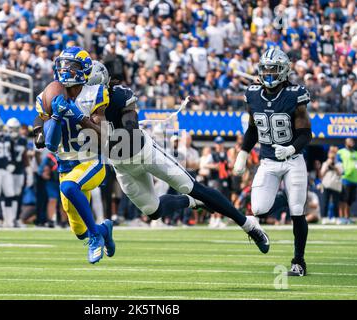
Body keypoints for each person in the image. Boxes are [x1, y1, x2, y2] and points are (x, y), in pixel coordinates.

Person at [81, 60, 270, 253]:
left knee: (191, 186)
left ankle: (249, 225)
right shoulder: (81, 105)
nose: (84, 95)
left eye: (88, 89)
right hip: (121, 165)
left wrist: (94, 129)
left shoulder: (120, 96)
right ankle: (191, 202)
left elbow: (130, 131)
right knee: (153, 211)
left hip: (144, 153)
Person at [233, 47, 312, 276]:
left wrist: (290, 148)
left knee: (297, 210)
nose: (268, 73)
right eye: (265, 69)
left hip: (293, 159)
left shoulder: (294, 95)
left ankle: (299, 262)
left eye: (273, 69)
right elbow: (252, 129)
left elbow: (306, 133)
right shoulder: (253, 95)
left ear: (284, 70)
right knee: (258, 209)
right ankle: (287, 198)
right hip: (268, 161)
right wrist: (243, 152)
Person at [36, 47, 115, 264]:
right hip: (65, 167)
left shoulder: (94, 95)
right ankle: (103, 230)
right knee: (79, 231)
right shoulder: (48, 96)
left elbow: (103, 136)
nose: (66, 70)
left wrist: (78, 116)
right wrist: (56, 116)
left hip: (92, 162)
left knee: (68, 187)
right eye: (63, 65)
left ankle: (96, 237)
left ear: (84, 70)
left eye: (72, 66)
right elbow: (49, 144)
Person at [6, 118, 29, 226]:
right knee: (7, 195)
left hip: (19, 170)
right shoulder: (4, 139)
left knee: (18, 195)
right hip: (6, 171)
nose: (13, 131)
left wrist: (28, 172)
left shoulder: (23, 140)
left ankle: (15, 218)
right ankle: (6, 218)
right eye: (12, 128)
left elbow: (25, 157)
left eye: (15, 128)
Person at [337, 138, 357, 224]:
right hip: (345, 179)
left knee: (350, 200)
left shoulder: (356, 153)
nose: (352, 142)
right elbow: (337, 163)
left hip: (354, 180)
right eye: (350, 141)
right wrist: (342, 172)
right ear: (345, 143)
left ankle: (347, 217)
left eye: (353, 141)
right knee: (344, 199)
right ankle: (342, 218)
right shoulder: (340, 152)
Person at [320, 148, 342, 223]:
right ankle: (324, 218)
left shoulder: (338, 164)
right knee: (325, 202)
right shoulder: (325, 163)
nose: (332, 155)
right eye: (331, 153)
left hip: (336, 185)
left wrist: (334, 167)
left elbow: (340, 173)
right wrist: (328, 165)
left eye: (334, 154)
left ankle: (336, 218)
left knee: (336, 203)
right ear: (328, 155)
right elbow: (321, 174)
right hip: (326, 184)